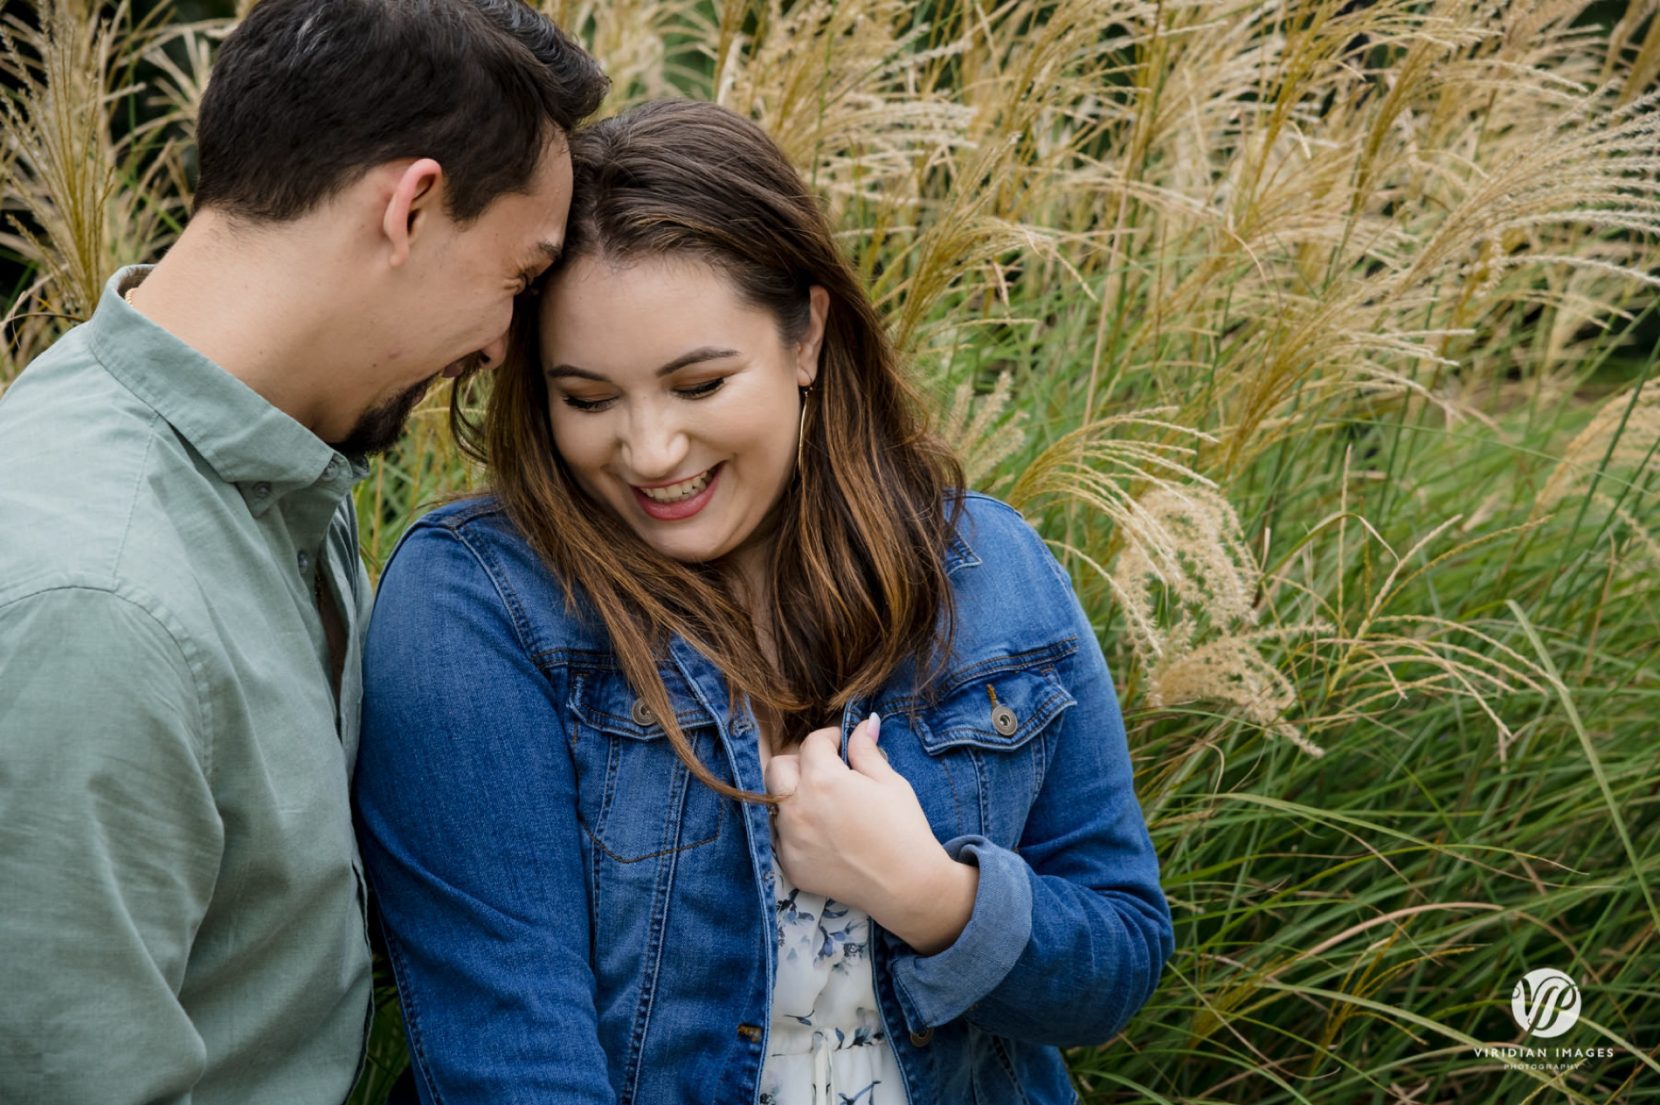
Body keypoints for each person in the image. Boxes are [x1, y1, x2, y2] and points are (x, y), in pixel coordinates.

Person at [355, 99, 1173, 1104]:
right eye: (589, 399)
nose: (650, 452)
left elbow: (1119, 960)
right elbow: (509, 1057)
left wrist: (928, 894)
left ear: (806, 337)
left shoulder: (987, 566)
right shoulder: (477, 604)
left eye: (698, 385)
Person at [0, 2, 606, 1101]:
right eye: (517, 278)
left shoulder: (278, 462)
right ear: (411, 207)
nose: (502, 345)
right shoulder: (97, 608)